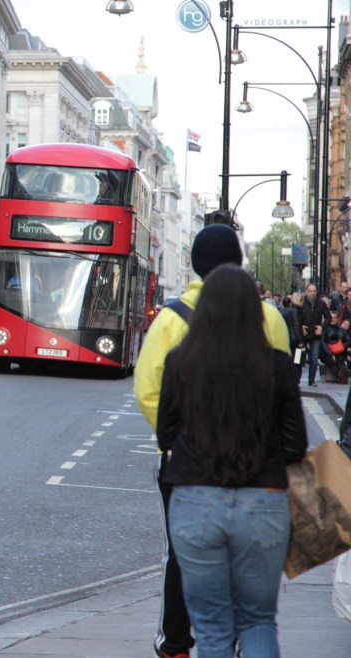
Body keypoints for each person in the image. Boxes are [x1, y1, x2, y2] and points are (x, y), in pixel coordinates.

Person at [133, 224, 291, 658]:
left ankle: (177, 642)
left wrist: (181, 445)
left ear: (194, 265)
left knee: (181, 563)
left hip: (190, 473)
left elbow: (148, 391)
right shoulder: (271, 319)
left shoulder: (170, 320)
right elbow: (284, 402)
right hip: (260, 476)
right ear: (240, 264)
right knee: (259, 616)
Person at [298, 282, 329, 386]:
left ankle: (311, 380)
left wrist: (322, 327)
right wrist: (300, 325)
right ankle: (296, 379)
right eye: (310, 291)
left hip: (315, 334)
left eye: (314, 291)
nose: (312, 293)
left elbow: (328, 317)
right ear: (306, 291)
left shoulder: (321, 303)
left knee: (314, 358)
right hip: (302, 334)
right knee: (298, 356)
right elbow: (295, 316)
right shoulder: (301, 302)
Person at [320, 309, 350, 383]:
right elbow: (322, 343)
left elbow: (349, 340)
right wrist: (331, 353)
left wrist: (342, 346)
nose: (332, 319)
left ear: (338, 319)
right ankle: (340, 375)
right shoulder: (324, 329)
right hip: (327, 352)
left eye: (334, 318)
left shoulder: (342, 330)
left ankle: (342, 374)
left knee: (340, 361)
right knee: (332, 361)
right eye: (331, 317)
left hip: (340, 351)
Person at [279, 295, 301, 362]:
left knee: (287, 357)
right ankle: (297, 371)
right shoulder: (294, 311)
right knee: (297, 359)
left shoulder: (280, 311)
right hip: (294, 337)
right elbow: (296, 325)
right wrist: (300, 340)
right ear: (290, 303)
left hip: (284, 336)